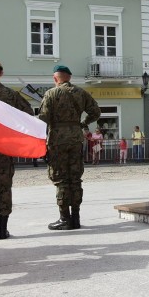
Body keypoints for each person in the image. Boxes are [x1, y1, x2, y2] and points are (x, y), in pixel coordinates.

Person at [39, 64, 100, 231]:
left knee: (60, 179)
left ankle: (64, 218)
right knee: (75, 178)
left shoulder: (51, 94)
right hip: (75, 138)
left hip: (57, 140)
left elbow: (43, 118)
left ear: (55, 78)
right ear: (69, 77)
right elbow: (96, 112)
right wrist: (82, 123)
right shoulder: (81, 93)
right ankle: (76, 217)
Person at [0, 60, 35, 240]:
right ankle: (3, 228)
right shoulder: (11, 94)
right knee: (5, 188)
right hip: (6, 147)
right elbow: (28, 112)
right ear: (1, 73)